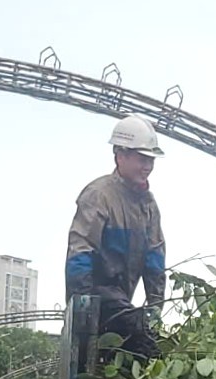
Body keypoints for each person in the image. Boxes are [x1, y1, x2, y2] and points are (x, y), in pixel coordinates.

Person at [66, 114, 167, 360]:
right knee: (130, 326)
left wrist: (154, 311)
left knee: (145, 343)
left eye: (150, 160)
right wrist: (84, 310)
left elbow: (155, 262)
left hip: (123, 302)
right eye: (142, 159)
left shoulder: (148, 205)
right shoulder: (99, 195)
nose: (147, 166)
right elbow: (80, 253)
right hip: (96, 297)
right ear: (120, 155)